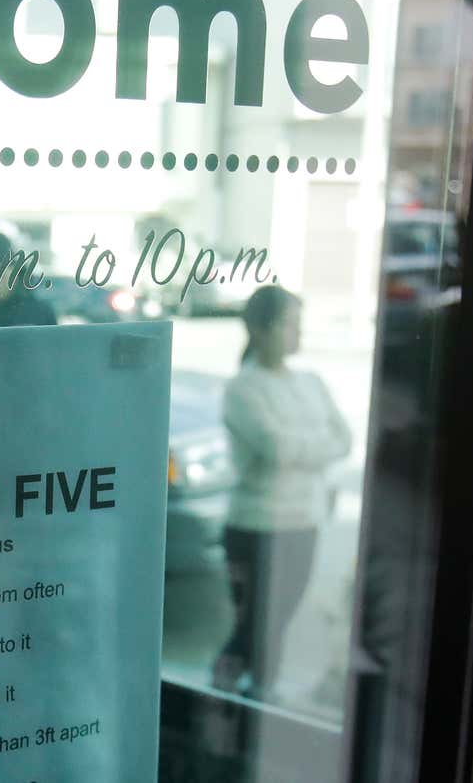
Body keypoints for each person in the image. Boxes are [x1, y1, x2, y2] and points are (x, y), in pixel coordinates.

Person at [212, 284, 350, 701]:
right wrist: (312, 444)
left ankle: (256, 696)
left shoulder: (311, 381)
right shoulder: (243, 388)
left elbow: (343, 438)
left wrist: (301, 446)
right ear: (261, 328)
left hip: (302, 522)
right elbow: (276, 449)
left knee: (280, 621)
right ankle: (225, 695)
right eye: (290, 324)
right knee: (256, 626)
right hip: (257, 526)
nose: (298, 334)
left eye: (299, 325)